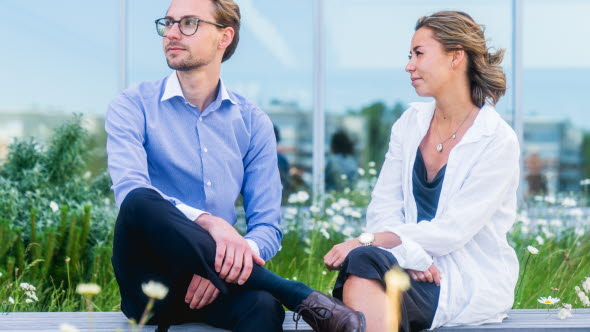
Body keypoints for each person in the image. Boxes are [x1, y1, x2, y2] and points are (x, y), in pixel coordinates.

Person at [106, 0, 365, 331]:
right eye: (168, 22)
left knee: (265, 307)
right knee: (141, 200)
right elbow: (130, 191)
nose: (171, 32)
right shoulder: (132, 105)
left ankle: (273, 291)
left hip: (224, 283)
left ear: (224, 36)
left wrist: (227, 263)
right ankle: (299, 294)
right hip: (150, 280)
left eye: (188, 23)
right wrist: (211, 224)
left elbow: (268, 226)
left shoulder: (252, 122)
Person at [324, 11, 520, 332]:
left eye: (419, 53)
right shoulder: (410, 123)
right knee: (361, 261)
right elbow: (383, 207)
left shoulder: (497, 140)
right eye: (410, 55)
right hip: (409, 268)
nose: (409, 65)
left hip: (462, 281)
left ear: (455, 57)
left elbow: (452, 231)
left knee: (362, 260)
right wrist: (410, 255)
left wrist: (374, 242)